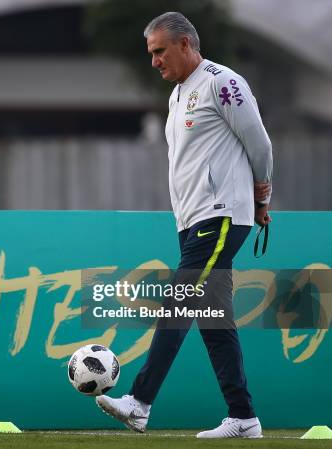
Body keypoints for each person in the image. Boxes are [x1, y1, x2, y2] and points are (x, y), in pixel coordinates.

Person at [95, 12, 273, 439]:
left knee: (177, 304)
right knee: (214, 320)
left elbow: (260, 144)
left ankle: (139, 402)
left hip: (222, 215)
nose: (154, 61)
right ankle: (243, 416)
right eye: (151, 54)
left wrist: (262, 199)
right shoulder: (178, 96)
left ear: (186, 45)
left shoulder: (221, 82)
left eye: (160, 51)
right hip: (194, 223)